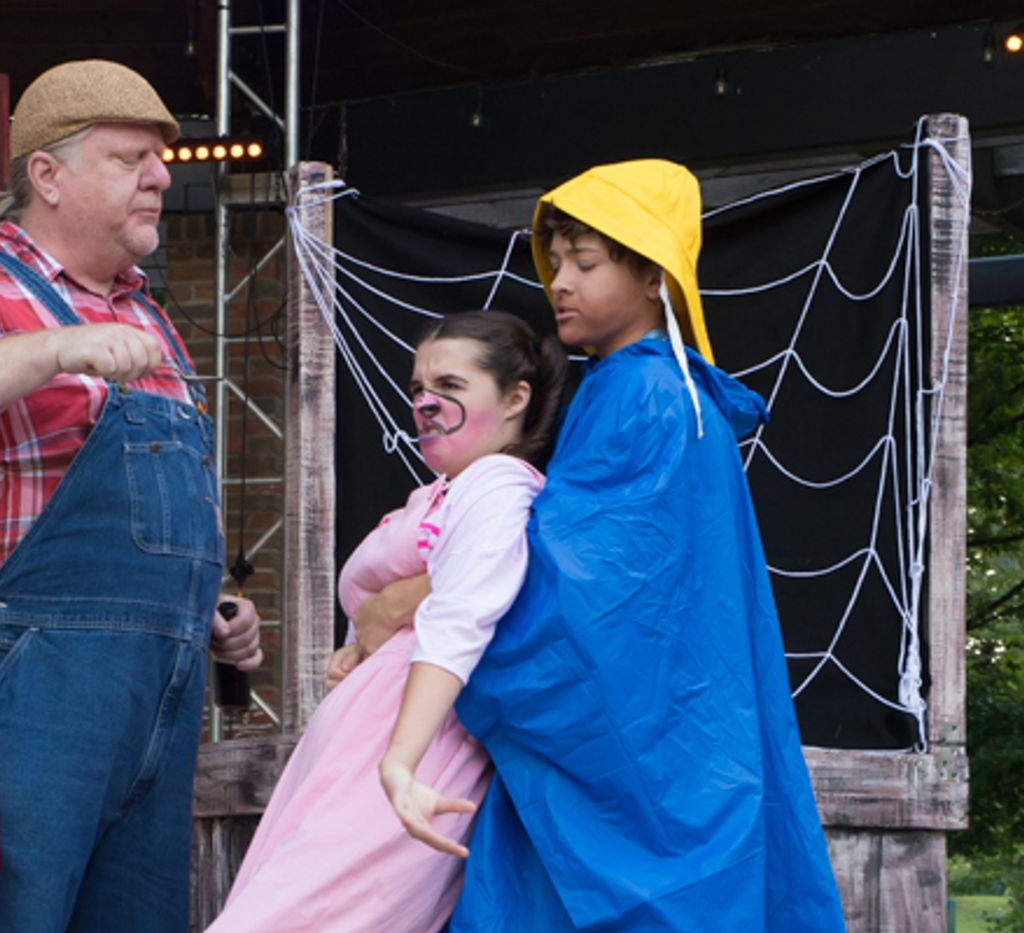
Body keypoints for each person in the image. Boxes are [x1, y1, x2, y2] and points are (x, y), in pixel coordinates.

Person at [352, 160, 846, 931]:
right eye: (556, 262)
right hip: (685, 752)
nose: (562, 283)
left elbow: (567, 578)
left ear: (655, 277)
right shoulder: (645, 388)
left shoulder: (642, 395)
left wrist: (411, 598)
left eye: (586, 262)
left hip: (649, 772)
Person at [0, 60, 262, 933]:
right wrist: (52, 350)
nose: (161, 175)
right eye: (130, 158)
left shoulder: (148, 317)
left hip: (149, 703)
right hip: (21, 698)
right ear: (46, 173)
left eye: (161, 159)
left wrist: (217, 608)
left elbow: (153, 516)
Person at [206, 312, 568, 932]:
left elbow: (461, 617)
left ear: (515, 399)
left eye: (450, 387)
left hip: (418, 748)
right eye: (417, 389)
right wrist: (360, 641)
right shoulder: (444, 491)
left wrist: (401, 761)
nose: (426, 405)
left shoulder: (501, 487)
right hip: (357, 748)